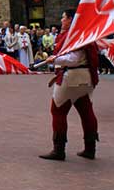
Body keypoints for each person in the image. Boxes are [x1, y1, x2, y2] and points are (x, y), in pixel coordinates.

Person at [39, 9, 100, 161]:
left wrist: (55, 60)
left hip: (72, 77)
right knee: (86, 111)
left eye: (64, 17)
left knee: (58, 111)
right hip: (85, 77)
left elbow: (74, 58)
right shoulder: (84, 34)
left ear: (71, 19)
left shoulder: (76, 36)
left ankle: (58, 150)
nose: (61, 20)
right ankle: (90, 148)